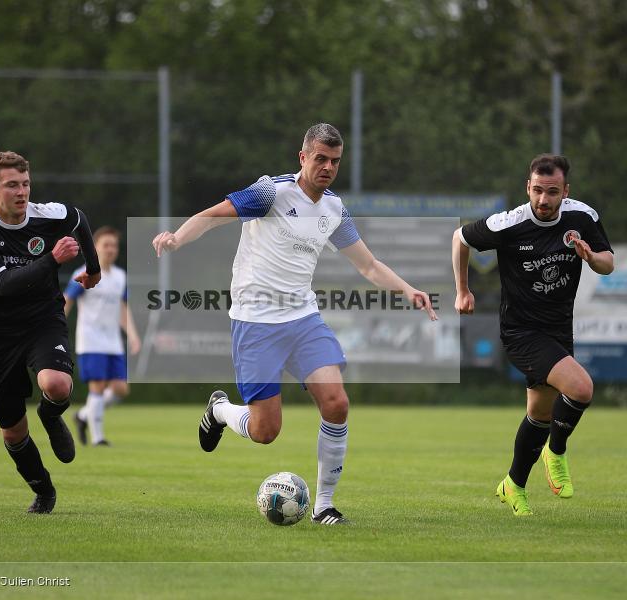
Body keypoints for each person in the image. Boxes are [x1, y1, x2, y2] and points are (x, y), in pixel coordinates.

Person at [153, 123, 437, 525]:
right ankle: (220, 410)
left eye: (335, 161)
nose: (328, 167)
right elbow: (213, 216)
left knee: (336, 403)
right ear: (303, 157)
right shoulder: (271, 192)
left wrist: (407, 289)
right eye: (320, 158)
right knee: (266, 431)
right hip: (255, 322)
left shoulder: (334, 209)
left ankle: (324, 506)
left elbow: (369, 265)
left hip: (303, 319)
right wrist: (178, 238)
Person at [452, 153, 614, 516]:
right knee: (581, 388)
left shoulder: (582, 217)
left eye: (552, 192)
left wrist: (591, 257)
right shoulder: (509, 223)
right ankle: (556, 452)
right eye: (537, 190)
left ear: (565, 191)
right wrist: (462, 290)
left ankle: (513, 485)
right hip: (521, 331)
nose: (543, 199)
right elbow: (459, 238)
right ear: (528, 187)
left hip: (559, 329)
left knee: (539, 415)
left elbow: (608, 263)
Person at [0, 151, 100, 514]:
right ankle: (43, 489)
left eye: (25, 184)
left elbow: (79, 218)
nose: (22, 192)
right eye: (12, 185)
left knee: (57, 385)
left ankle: (51, 415)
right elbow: (4, 285)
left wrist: (94, 268)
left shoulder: (47, 214)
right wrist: (52, 259)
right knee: (12, 431)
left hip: (42, 318)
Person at [64, 226, 141, 447]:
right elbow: (67, 300)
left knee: (120, 388)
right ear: (95, 247)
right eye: (105, 245)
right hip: (90, 340)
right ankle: (98, 438)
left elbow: (122, 309)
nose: (110, 249)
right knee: (97, 386)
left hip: (113, 341)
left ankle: (83, 416)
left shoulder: (120, 276)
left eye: (114, 245)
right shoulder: (84, 272)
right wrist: (56, 327)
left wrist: (133, 335)